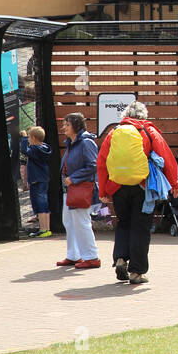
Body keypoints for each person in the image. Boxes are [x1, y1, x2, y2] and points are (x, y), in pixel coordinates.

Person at [96, 100, 178, 285]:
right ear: (144, 115)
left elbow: (102, 163)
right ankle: (136, 272)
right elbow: (166, 158)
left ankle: (120, 258)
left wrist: (103, 190)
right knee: (141, 227)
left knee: (124, 224)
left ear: (126, 116)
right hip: (143, 187)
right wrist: (174, 183)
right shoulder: (149, 132)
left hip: (118, 187)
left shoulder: (114, 133)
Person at [58, 113, 102, 270]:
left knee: (82, 222)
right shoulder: (73, 142)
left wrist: (74, 178)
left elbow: (93, 165)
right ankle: (73, 255)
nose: (63, 128)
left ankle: (91, 257)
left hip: (82, 187)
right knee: (69, 222)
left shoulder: (86, 142)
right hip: (71, 188)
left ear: (76, 125)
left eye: (66, 125)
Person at [19, 127, 52, 237]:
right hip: (44, 178)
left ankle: (43, 229)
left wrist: (23, 138)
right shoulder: (45, 148)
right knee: (44, 203)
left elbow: (24, 151)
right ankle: (47, 228)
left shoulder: (35, 150)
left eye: (29, 137)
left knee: (40, 204)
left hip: (36, 180)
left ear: (33, 138)